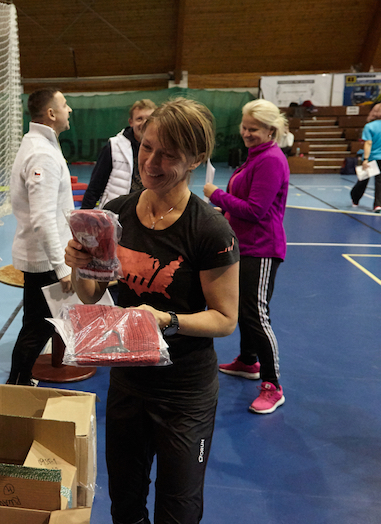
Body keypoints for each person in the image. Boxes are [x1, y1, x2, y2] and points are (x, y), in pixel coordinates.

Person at [67, 98, 239, 524]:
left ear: (195, 159)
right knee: (125, 503)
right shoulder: (117, 214)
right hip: (128, 382)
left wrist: (168, 321)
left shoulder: (209, 229)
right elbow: (90, 294)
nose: (151, 162)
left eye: (168, 155)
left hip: (184, 392)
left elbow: (225, 319)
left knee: (178, 510)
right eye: (147, 147)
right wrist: (77, 265)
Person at [204, 98, 289, 414]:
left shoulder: (271, 160)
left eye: (254, 129)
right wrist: (223, 209)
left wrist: (217, 195)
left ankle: (272, 385)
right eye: (245, 127)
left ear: (270, 130)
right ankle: (248, 360)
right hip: (244, 244)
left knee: (256, 314)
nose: (247, 133)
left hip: (262, 247)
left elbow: (255, 210)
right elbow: (243, 203)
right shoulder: (255, 157)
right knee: (241, 307)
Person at [7, 87, 75, 386]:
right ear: (50, 113)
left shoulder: (42, 145)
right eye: (64, 104)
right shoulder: (42, 153)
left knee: (37, 326)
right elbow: (43, 217)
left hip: (45, 257)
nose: (69, 109)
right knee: (38, 329)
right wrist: (61, 267)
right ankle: (16, 386)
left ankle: (19, 383)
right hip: (46, 261)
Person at [81, 99, 156, 209]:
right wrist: (84, 214)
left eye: (148, 119)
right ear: (131, 122)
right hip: (116, 211)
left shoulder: (161, 148)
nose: (144, 123)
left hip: (147, 210)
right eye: (139, 119)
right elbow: (95, 186)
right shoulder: (114, 146)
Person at [349, 103, 381, 212]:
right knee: (379, 182)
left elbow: (368, 143)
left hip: (371, 158)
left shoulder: (369, 126)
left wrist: (366, 159)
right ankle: (378, 205)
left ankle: (355, 198)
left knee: (363, 180)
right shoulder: (370, 126)